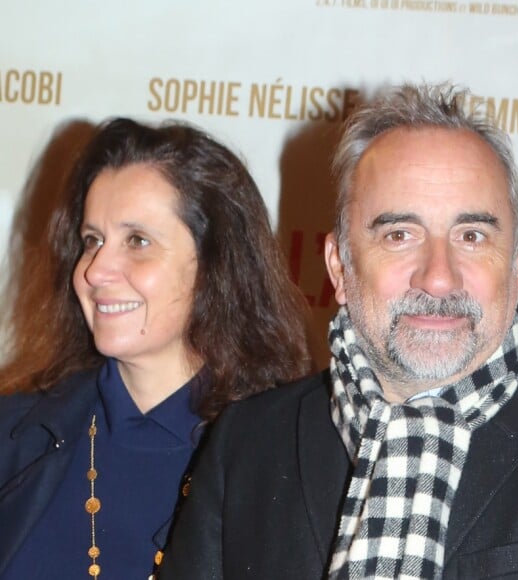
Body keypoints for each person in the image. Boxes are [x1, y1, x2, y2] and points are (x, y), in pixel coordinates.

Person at [160, 83, 518, 580]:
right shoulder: (246, 445)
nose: (438, 276)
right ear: (339, 267)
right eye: (399, 235)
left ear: (514, 264)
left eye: (472, 236)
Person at [0, 118, 310, 580]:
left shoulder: (285, 460)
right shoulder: (15, 433)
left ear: (215, 266)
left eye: (138, 241)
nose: (95, 270)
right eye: (92, 241)